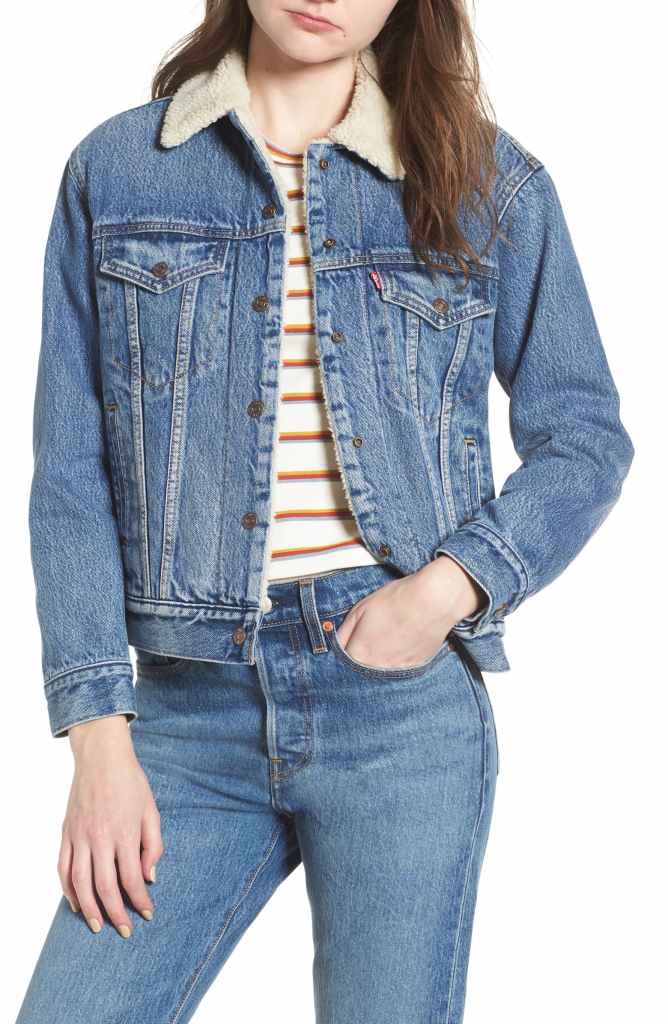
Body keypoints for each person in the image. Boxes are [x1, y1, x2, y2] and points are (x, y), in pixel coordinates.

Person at [17, 1, 634, 1021]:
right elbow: (71, 474)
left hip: (398, 707)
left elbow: (584, 437)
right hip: (187, 708)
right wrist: (96, 734)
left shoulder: (487, 178)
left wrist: (444, 591)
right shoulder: (119, 171)